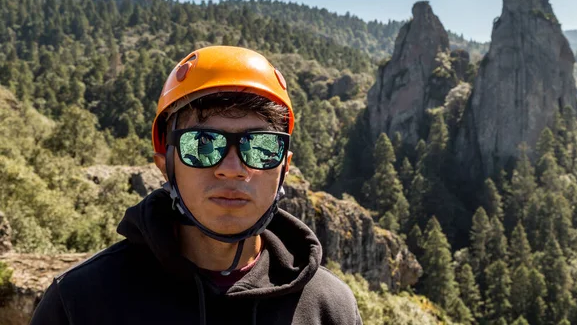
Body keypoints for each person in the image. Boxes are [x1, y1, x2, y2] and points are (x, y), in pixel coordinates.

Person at [30, 46, 362, 324]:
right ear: (165, 164)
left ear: (284, 166)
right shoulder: (80, 302)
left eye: (260, 147)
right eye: (202, 145)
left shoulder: (328, 307)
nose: (232, 169)